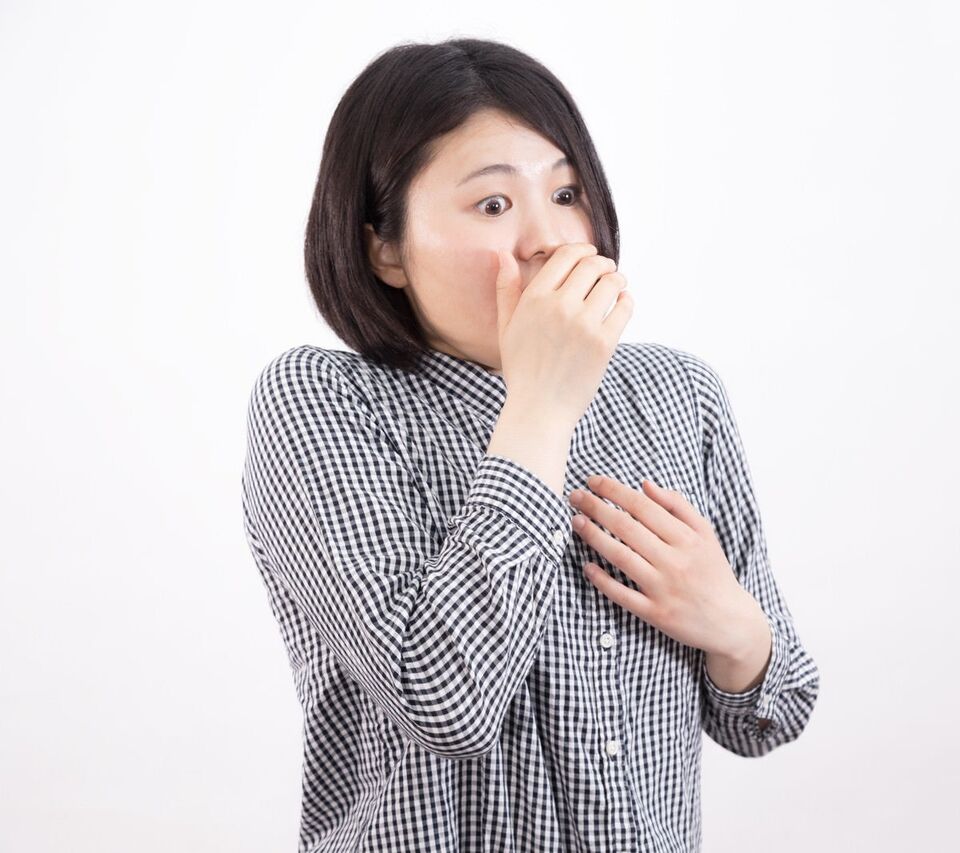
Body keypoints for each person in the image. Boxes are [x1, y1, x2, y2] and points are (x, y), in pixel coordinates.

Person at [240, 37, 820, 852]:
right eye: (493, 204)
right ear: (385, 248)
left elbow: (773, 713)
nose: (548, 238)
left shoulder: (680, 395)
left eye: (566, 192)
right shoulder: (321, 400)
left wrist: (732, 624)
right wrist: (541, 404)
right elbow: (444, 700)